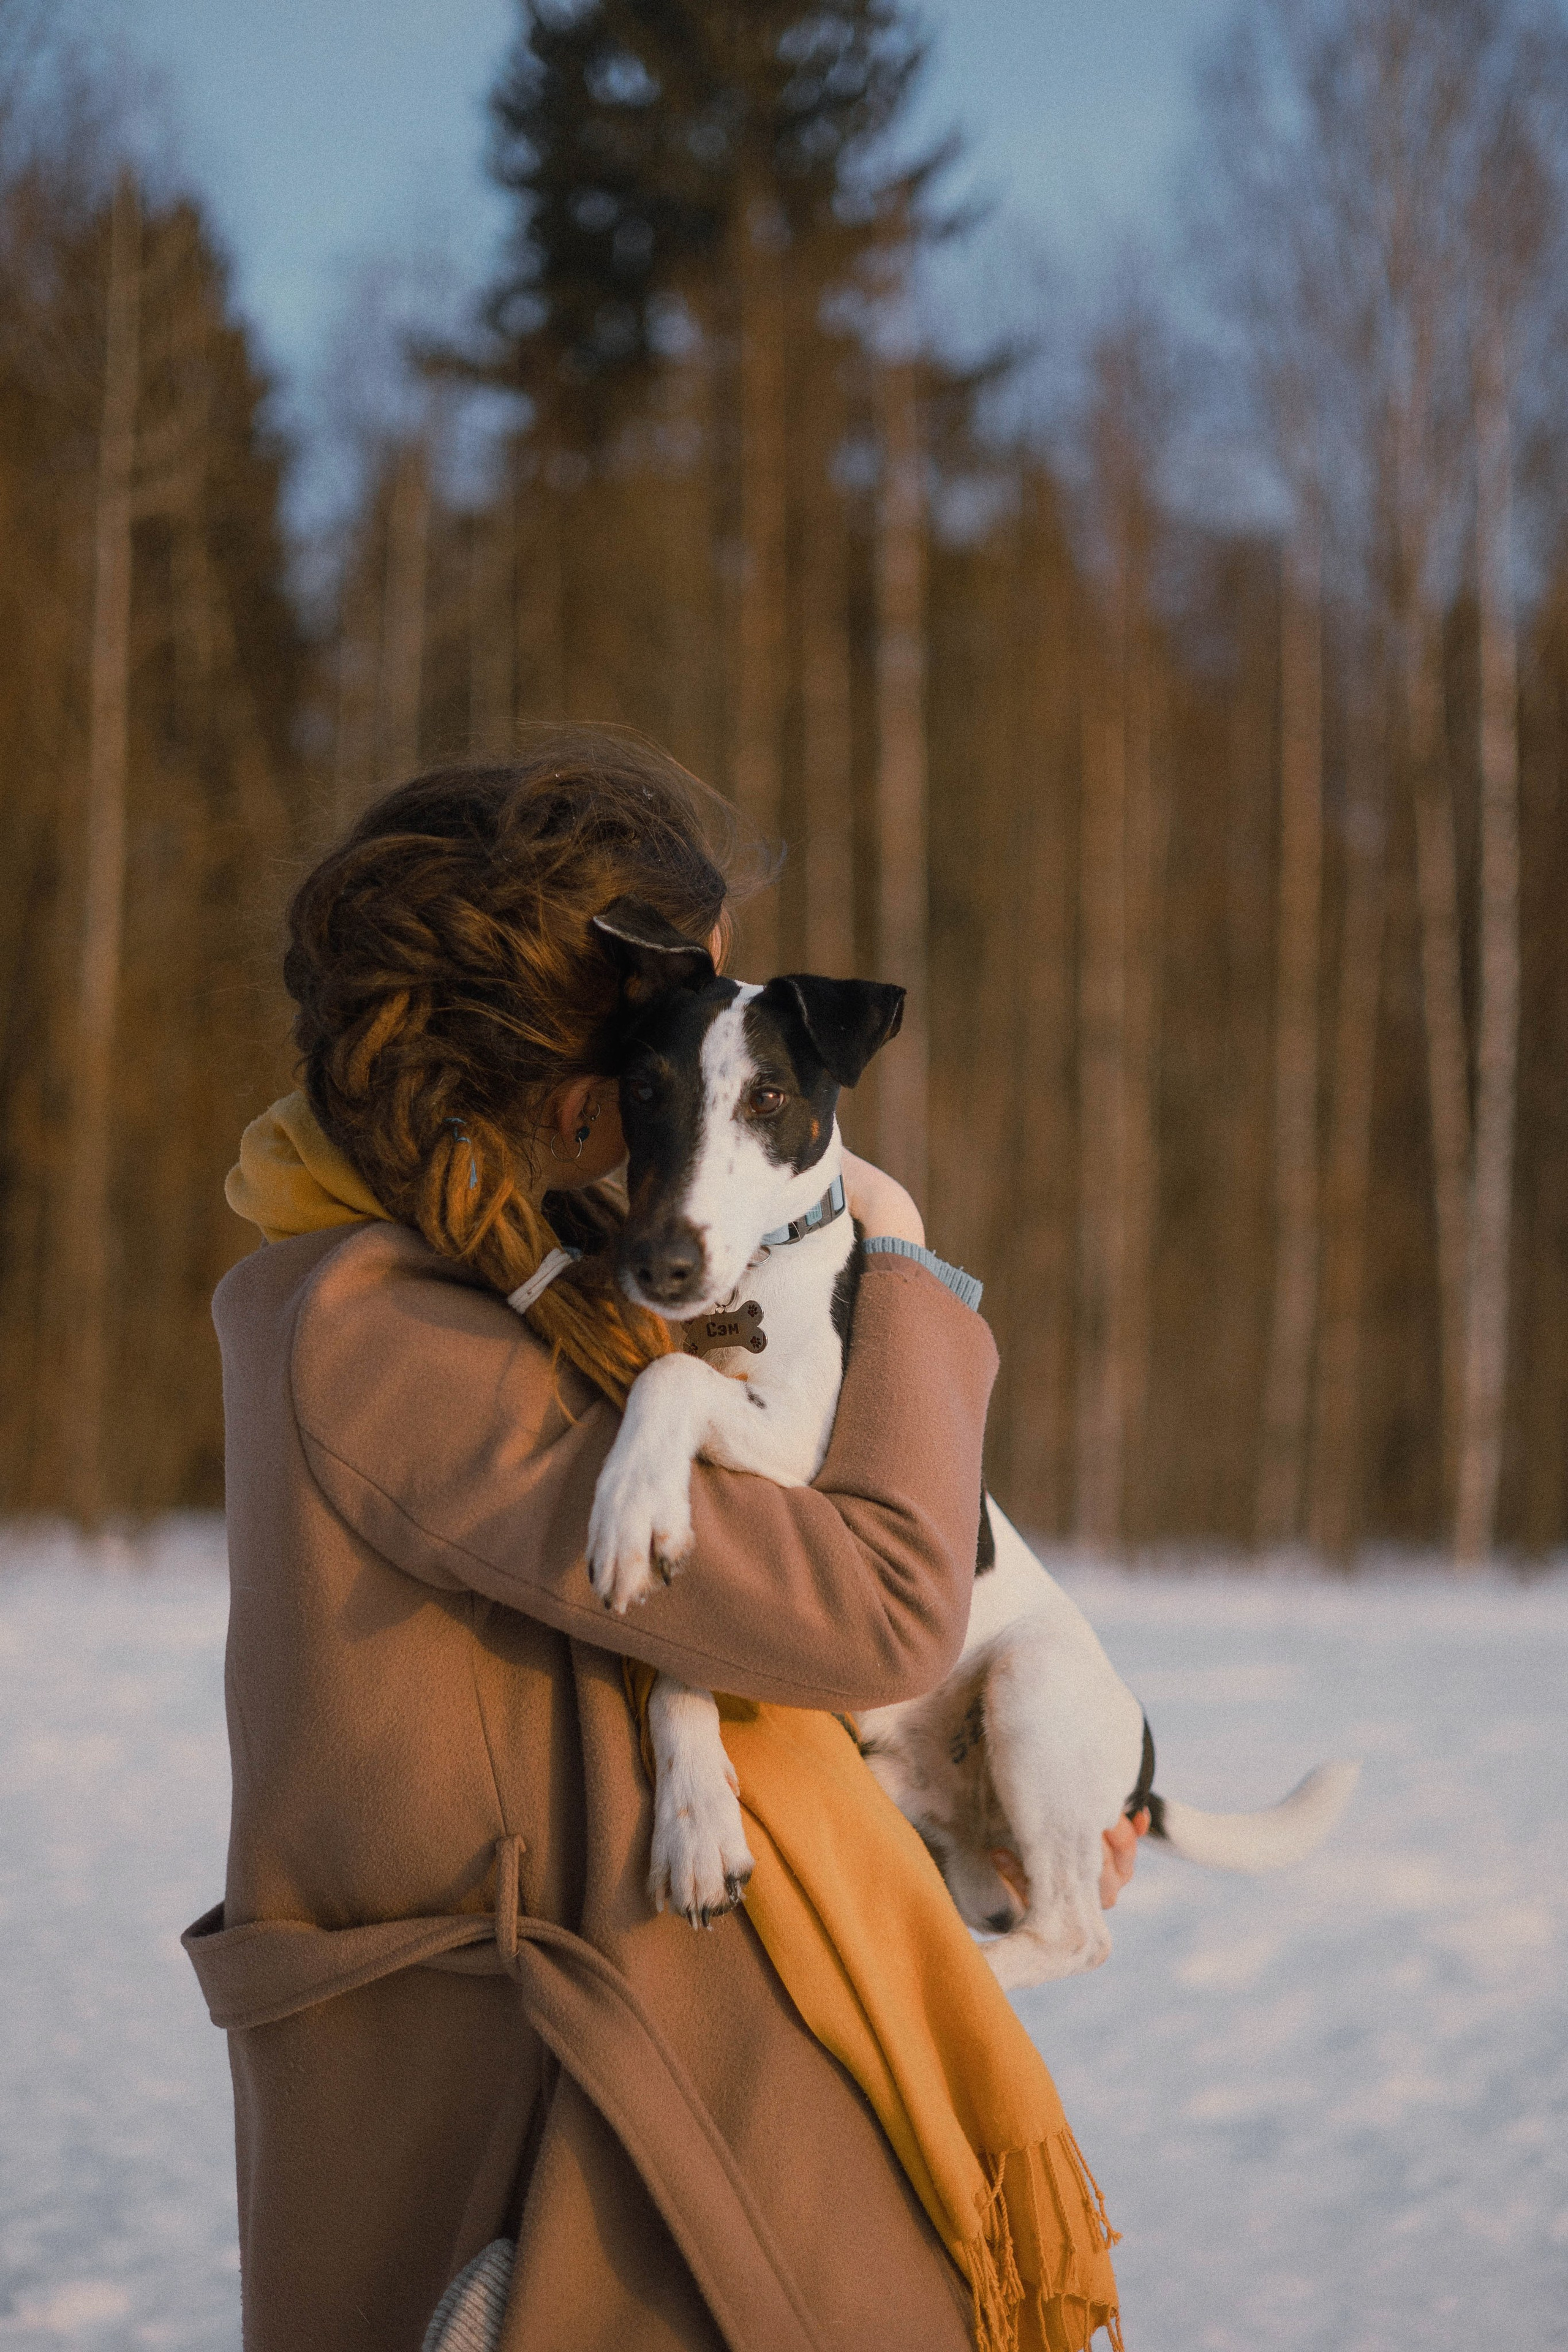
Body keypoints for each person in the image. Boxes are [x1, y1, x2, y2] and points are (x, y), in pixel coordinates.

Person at [183, 728, 1140, 2352]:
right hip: (542, 2171)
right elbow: (876, 1604)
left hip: (614, 2099)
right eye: (694, 1011)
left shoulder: (505, 1294)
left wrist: (978, 1821)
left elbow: (730, 1660)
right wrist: (900, 1258)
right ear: (587, 1096)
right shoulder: (378, 1332)